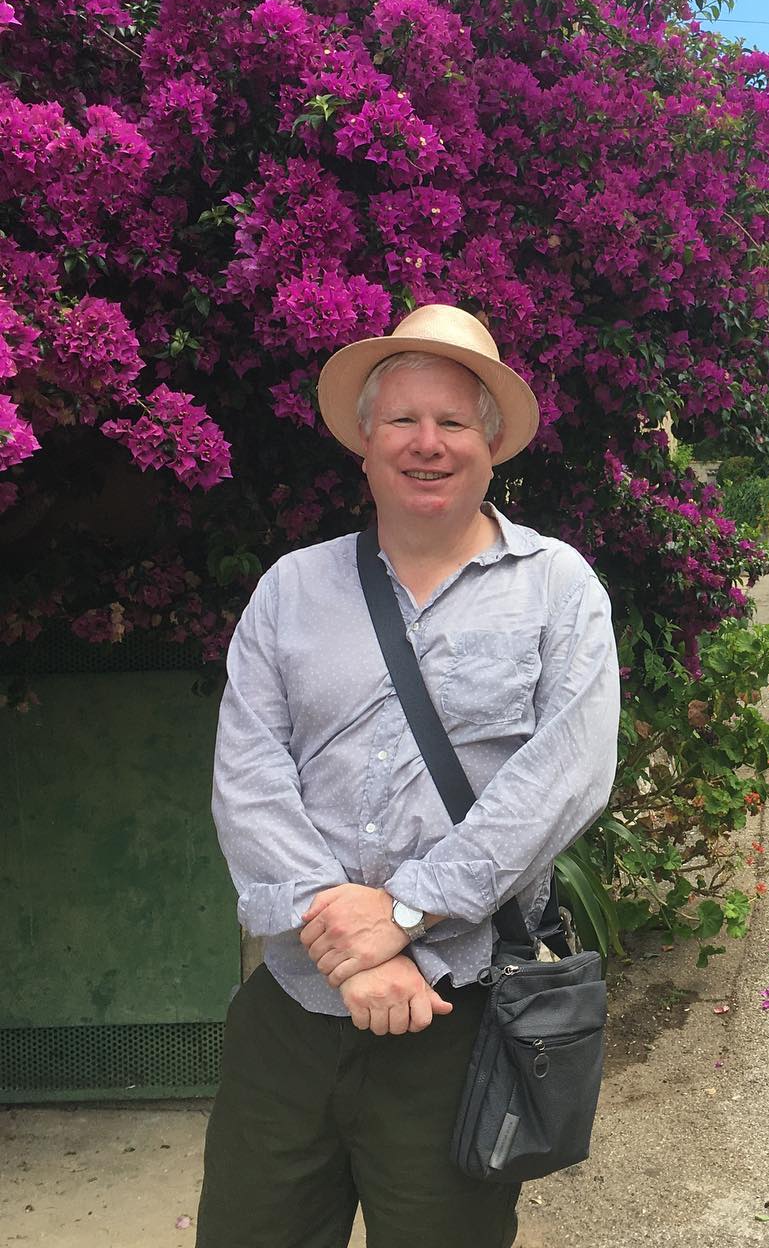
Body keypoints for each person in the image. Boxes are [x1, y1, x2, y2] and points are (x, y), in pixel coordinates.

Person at [197, 305, 620, 1248]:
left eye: (453, 423)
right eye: (403, 421)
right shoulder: (290, 591)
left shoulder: (559, 589)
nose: (427, 444)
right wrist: (347, 940)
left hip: (457, 1015)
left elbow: (568, 778)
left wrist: (402, 916)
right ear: (365, 441)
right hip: (294, 1018)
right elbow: (250, 774)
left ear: (492, 442)